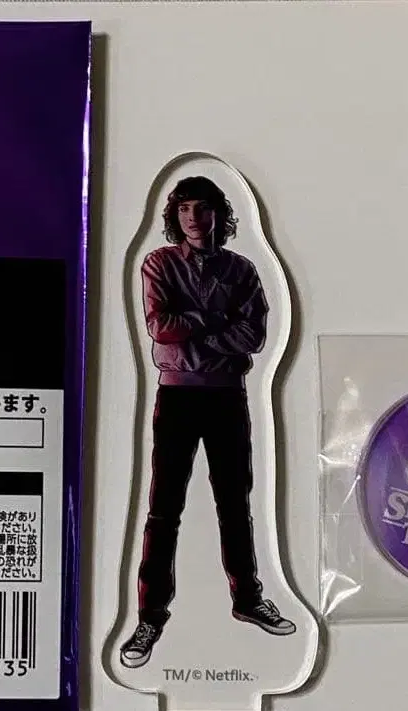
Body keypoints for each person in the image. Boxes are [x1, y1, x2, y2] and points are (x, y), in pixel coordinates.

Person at [120, 176, 295, 670]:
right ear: (173, 216)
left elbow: (253, 336)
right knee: (163, 509)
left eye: (202, 207)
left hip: (227, 397)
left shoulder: (242, 269)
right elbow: (160, 328)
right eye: (184, 209)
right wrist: (217, 320)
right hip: (176, 397)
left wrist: (194, 328)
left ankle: (248, 599)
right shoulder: (158, 263)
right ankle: (150, 617)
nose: (194, 218)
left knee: (235, 505)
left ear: (219, 213)